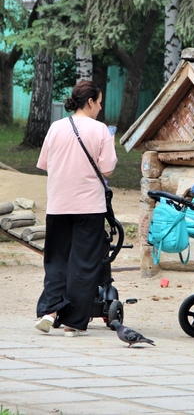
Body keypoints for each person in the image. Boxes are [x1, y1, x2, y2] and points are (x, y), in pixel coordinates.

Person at [35, 80, 117, 337]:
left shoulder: (56, 127)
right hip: (89, 207)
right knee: (83, 264)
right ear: (90, 101)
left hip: (58, 204)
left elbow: (46, 164)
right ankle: (72, 323)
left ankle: (49, 311)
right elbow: (107, 169)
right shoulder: (101, 130)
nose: (101, 108)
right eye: (100, 103)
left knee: (56, 260)